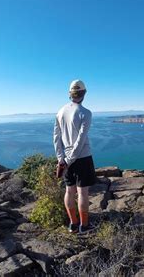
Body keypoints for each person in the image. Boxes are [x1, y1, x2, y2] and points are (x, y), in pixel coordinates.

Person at [53, 79, 97, 234]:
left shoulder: (60, 112)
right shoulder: (85, 113)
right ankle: (84, 226)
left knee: (69, 191)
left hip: (65, 159)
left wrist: (61, 159)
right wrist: (71, 159)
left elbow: (56, 137)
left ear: (69, 94)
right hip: (82, 158)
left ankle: (73, 224)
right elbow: (80, 140)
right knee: (82, 193)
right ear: (84, 93)